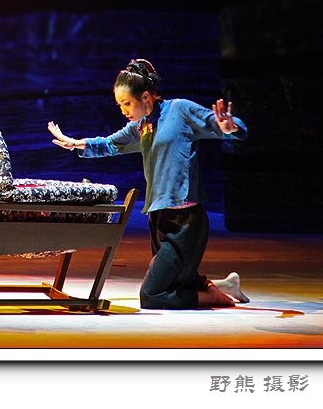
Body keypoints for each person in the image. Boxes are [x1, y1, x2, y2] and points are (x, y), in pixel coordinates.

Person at [47, 58, 250, 309]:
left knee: (152, 295)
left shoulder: (179, 111)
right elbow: (110, 143)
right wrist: (76, 143)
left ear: (145, 97)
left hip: (186, 220)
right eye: (120, 105)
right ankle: (223, 286)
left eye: (127, 103)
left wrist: (230, 128)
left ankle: (216, 297)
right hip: (159, 218)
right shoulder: (141, 125)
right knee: (173, 280)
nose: (123, 110)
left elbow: (223, 125)